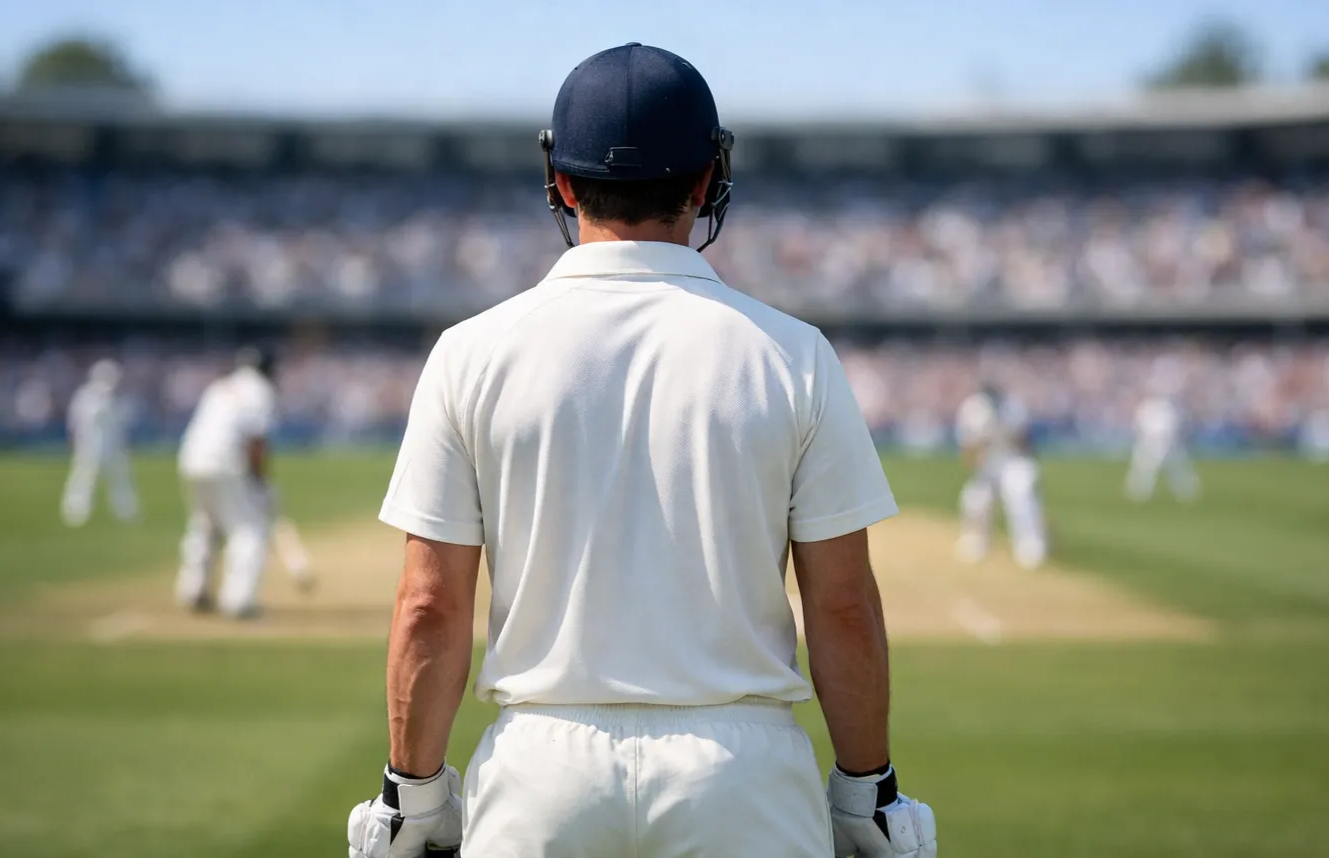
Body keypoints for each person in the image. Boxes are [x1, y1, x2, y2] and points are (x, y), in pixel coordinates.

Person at [347, 43, 936, 858]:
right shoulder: (793, 354)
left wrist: (409, 799)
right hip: (741, 771)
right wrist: (864, 793)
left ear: (559, 181)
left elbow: (430, 605)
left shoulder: (469, 352)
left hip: (538, 771)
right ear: (704, 180)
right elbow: (840, 605)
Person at [173, 346, 278, 618]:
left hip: (192, 458)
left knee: (205, 525)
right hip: (226, 461)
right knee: (249, 528)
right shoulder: (260, 390)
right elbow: (256, 443)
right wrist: (260, 484)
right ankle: (239, 600)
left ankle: (194, 590)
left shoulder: (220, 385)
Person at [954, 382, 1047, 570]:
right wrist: (979, 449)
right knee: (975, 499)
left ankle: (1030, 545)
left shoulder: (1014, 407)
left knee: (1019, 492)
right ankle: (976, 542)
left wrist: (1007, 434)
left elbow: (1026, 444)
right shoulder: (971, 410)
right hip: (988, 462)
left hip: (1014, 460)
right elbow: (966, 452)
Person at [60, 359, 138, 527]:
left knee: (120, 480)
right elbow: (76, 422)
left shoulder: (117, 398)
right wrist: (75, 441)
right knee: (84, 478)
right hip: (90, 447)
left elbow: (121, 425)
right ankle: (76, 511)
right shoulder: (86, 396)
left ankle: (126, 512)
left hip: (113, 448)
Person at [1125, 392, 1199, 502]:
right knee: (1145, 469)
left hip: (1166, 443)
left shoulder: (1166, 408)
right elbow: (1139, 425)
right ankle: (1139, 493)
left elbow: (1173, 426)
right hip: (1149, 442)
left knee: (1176, 468)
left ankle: (1187, 491)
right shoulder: (1147, 407)